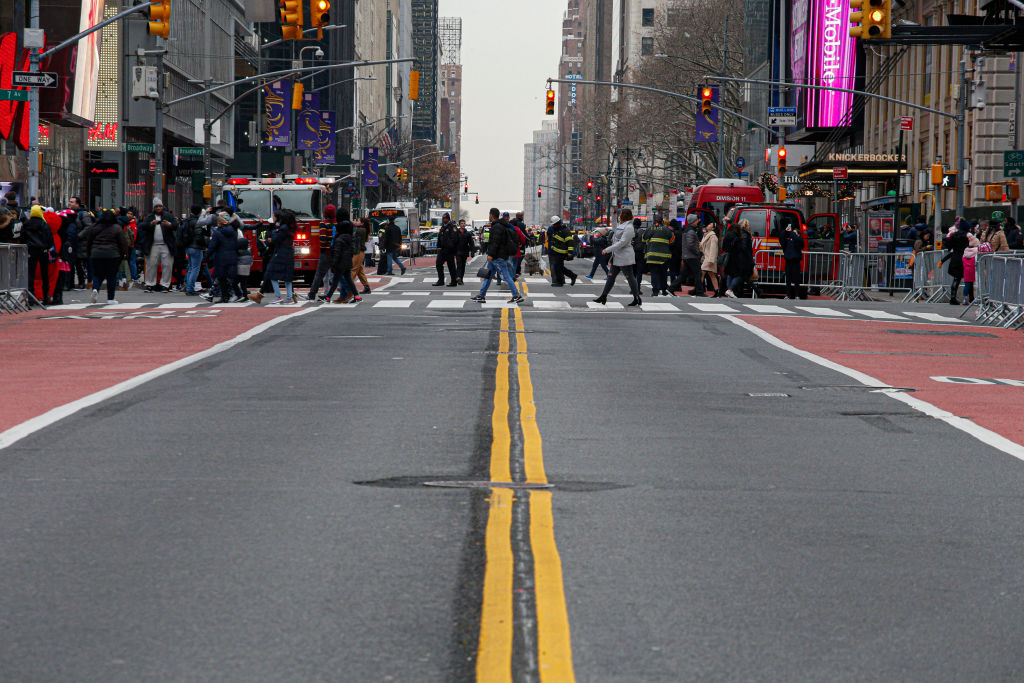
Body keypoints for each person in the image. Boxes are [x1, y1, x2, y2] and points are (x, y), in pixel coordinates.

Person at [470, 208, 524, 304]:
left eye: (489, 215)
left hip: (498, 257)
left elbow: (495, 243)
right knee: (488, 276)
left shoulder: (497, 227)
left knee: (506, 277)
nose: (489, 216)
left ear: (491, 215)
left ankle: (517, 296)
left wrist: (490, 254)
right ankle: (481, 295)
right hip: (497, 257)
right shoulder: (500, 225)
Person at [78, 209, 129, 305]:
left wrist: (89, 253)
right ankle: (110, 298)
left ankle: (95, 289)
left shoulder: (95, 227)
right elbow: (123, 243)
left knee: (97, 274)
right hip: (113, 254)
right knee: (111, 276)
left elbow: (89, 241)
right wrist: (124, 254)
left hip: (96, 253)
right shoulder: (116, 228)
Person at [592, 208, 641, 307]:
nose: (620, 216)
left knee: (630, 277)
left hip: (625, 256)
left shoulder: (629, 227)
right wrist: (613, 216)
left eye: (621, 214)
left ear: (625, 215)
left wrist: (608, 249)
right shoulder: (623, 225)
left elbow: (622, 243)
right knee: (610, 277)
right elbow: (615, 228)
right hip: (617, 256)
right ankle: (603, 296)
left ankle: (636, 298)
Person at [138, 201, 177, 292]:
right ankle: (150, 284)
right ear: (154, 208)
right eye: (157, 207)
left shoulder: (168, 216)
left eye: (160, 206)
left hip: (166, 244)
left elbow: (176, 225)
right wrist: (151, 224)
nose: (158, 208)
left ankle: (165, 285)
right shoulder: (149, 217)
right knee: (151, 265)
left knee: (167, 265)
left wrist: (169, 225)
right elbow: (142, 226)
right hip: (153, 245)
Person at [22, 205, 56, 305]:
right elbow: (49, 238)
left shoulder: (27, 224)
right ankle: (46, 297)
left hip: (31, 250)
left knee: (31, 274)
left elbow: (23, 237)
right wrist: (48, 247)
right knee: (44, 274)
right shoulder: (44, 224)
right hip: (43, 251)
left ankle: (30, 298)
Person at [203, 210, 239, 303]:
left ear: (219, 222)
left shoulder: (217, 232)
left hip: (221, 258)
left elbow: (212, 247)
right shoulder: (233, 231)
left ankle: (225, 296)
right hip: (232, 256)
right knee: (230, 277)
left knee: (221, 278)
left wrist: (205, 258)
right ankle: (235, 294)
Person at [324, 215, 361, 303]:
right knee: (349, 280)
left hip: (340, 264)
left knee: (335, 281)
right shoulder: (350, 238)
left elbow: (337, 253)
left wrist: (333, 264)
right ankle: (357, 296)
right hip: (347, 263)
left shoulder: (339, 240)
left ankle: (328, 297)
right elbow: (353, 251)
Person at [263, 210, 297, 304]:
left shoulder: (282, 228)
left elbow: (275, 239)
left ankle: (278, 296)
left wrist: (270, 238)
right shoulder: (290, 227)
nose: (272, 218)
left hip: (280, 254)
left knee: (272, 275)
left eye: (273, 216)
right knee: (288, 278)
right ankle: (289, 297)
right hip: (288, 253)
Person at [670, 214, 705, 296]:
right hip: (692, 256)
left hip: (687, 256)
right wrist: (698, 252)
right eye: (696, 220)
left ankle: (671, 288)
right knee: (698, 273)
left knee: (683, 275)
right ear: (693, 221)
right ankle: (699, 292)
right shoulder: (691, 231)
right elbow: (690, 244)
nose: (698, 221)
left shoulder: (687, 230)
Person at [308, 203, 337, 300]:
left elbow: (323, 239)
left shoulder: (323, 223)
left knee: (319, 275)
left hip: (326, 253)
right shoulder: (337, 223)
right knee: (338, 274)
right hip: (335, 252)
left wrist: (322, 248)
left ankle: (312, 294)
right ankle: (344, 292)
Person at [939, 219, 969, 305]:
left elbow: (948, 245)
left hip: (955, 257)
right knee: (967, 279)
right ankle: (967, 298)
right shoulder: (967, 236)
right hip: (964, 257)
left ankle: (953, 297)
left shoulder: (954, 235)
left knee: (956, 278)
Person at [722, 219, 754, 298]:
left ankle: (729, 290)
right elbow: (744, 248)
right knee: (741, 275)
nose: (750, 227)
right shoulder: (745, 235)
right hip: (742, 259)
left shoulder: (736, 234)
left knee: (731, 274)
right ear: (746, 226)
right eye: (748, 225)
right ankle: (730, 290)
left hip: (733, 257)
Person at [67, 196, 93, 288]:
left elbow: (88, 227)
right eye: (69, 202)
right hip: (71, 242)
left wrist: (79, 236)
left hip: (81, 243)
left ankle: (82, 282)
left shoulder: (83, 214)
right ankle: (70, 283)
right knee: (71, 263)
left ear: (77, 204)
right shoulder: (68, 213)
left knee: (79, 264)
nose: (69, 203)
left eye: (72, 202)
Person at [644, 218, 674, 296]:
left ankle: (655, 291)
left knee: (654, 274)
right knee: (663, 274)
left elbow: (643, 239)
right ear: (662, 222)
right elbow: (672, 241)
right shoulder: (667, 230)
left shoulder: (650, 229)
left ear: (654, 221)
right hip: (664, 257)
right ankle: (664, 290)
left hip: (652, 256)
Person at [547, 217, 577, 286]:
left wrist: (570, 253)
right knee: (559, 267)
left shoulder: (565, 231)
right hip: (557, 252)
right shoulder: (557, 229)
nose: (553, 226)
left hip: (562, 252)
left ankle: (560, 282)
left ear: (558, 223)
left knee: (558, 267)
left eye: (554, 224)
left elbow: (570, 242)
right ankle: (572, 276)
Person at [777, 222, 804, 300]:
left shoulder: (799, 240)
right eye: (792, 233)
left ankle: (797, 295)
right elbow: (781, 238)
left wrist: (792, 233)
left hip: (796, 261)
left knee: (796, 279)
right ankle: (788, 295)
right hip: (788, 261)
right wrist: (786, 231)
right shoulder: (787, 241)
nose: (792, 234)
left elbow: (798, 240)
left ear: (798, 234)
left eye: (795, 233)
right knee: (788, 279)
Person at [434, 213, 459, 286]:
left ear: (448, 219)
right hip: (442, 249)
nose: (444, 219)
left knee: (451, 266)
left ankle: (454, 281)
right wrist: (438, 246)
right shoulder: (443, 227)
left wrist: (451, 246)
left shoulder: (452, 226)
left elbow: (455, 238)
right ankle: (441, 280)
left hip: (449, 250)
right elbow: (440, 237)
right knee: (438, 264)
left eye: (445, 218)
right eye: (443, 218)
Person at [699, 222, 720, 297]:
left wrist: (711, 260)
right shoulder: (707, 235)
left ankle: (699, 290)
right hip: (707, 258)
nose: (707, 225)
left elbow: (713, 249)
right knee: (711, 275)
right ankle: (717, 291)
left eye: (709, 225)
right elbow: (702, 247)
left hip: (709, 259)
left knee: (702, 273)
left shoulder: (713, 237)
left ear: (713, 228)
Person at [352, 217, 372, 294]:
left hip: (358, 252)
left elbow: (353, 235)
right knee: (359, 271)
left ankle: (346, 286)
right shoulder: (362, 229)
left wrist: (353, 225)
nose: (355, 221)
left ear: (362, 223)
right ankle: (366, 287)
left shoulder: (360, 230)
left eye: (357, 220)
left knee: (353, 269)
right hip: (359, 252)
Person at [455, 219, 475, 284]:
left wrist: (472, 252)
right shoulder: (456, 233)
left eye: (464, 223)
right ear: (459, 225)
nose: (463, 224)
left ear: (465, 224)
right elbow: (453, 242)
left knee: (463, 266)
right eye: (462, 223)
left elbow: (471, 243)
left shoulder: (468, 234)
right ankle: (458, 277)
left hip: (465, 252)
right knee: (459, 264)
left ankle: (461, 279)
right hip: (458, 252)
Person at [961, 233, 979, 304]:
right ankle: (973, 298)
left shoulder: (965, 252)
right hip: (973, 270)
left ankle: (965, 298)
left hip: (966, 270)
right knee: (974, 284)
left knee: (967, 285)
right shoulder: (976, 253)